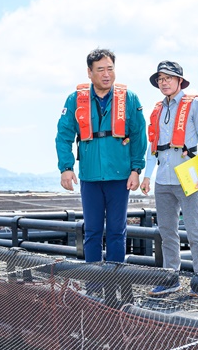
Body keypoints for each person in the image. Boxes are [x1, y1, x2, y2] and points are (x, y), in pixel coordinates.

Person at [55, 48, 147, 263]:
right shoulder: (76, 99)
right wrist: (66, 168)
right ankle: (93, 288)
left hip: (120, 176)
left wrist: (136, 169)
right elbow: (63, 135)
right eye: (100, 70)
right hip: (90, 176)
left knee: (117, 231)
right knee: (92, 231)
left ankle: (117, 285)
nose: (107, 74)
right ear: (89, 72)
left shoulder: (129, 98)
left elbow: (139, 136)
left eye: (110, 69)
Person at [140, 60, 198, 295]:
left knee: (195, 230)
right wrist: (147, 176)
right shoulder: (158, 109)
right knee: (166, 231)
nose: (164, 82)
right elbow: (154, 146)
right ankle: (171, 279)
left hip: (189, 175)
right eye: (160, 79)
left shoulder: (195, 104)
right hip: (163, 178)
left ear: (180, 80)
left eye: (168, 78)